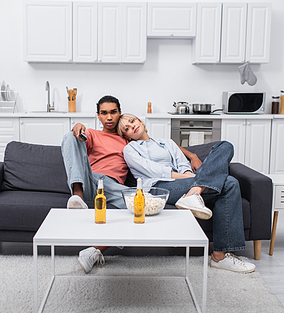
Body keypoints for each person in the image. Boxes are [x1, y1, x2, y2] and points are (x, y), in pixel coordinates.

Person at [61, 96, 202, 273]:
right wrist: (77, 127)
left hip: (115, 188)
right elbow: (74, 142)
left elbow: (162, 144)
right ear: (98, 116)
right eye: (104, 113)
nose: (109, 117)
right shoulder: (92, 134)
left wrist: (193, 156)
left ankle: (95, 250)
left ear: (119, 113)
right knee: (69, 136)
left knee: (142, 206)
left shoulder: (128, 140)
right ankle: (77, 195)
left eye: (113, 112)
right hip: (92, 182)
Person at [117, 113, 255, 273]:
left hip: (186, 181)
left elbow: (182, 163)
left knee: (225, 146)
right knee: (229, 182)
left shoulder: (167, 142)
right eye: (126, 128)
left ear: (140, 120)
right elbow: (154, 171)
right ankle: (220, 257)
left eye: (132, 121)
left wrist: (191, 174)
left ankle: (194, 193)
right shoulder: (130, 149)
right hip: (161, 186)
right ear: (126, 136)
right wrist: (192, 177)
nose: (132, 126)